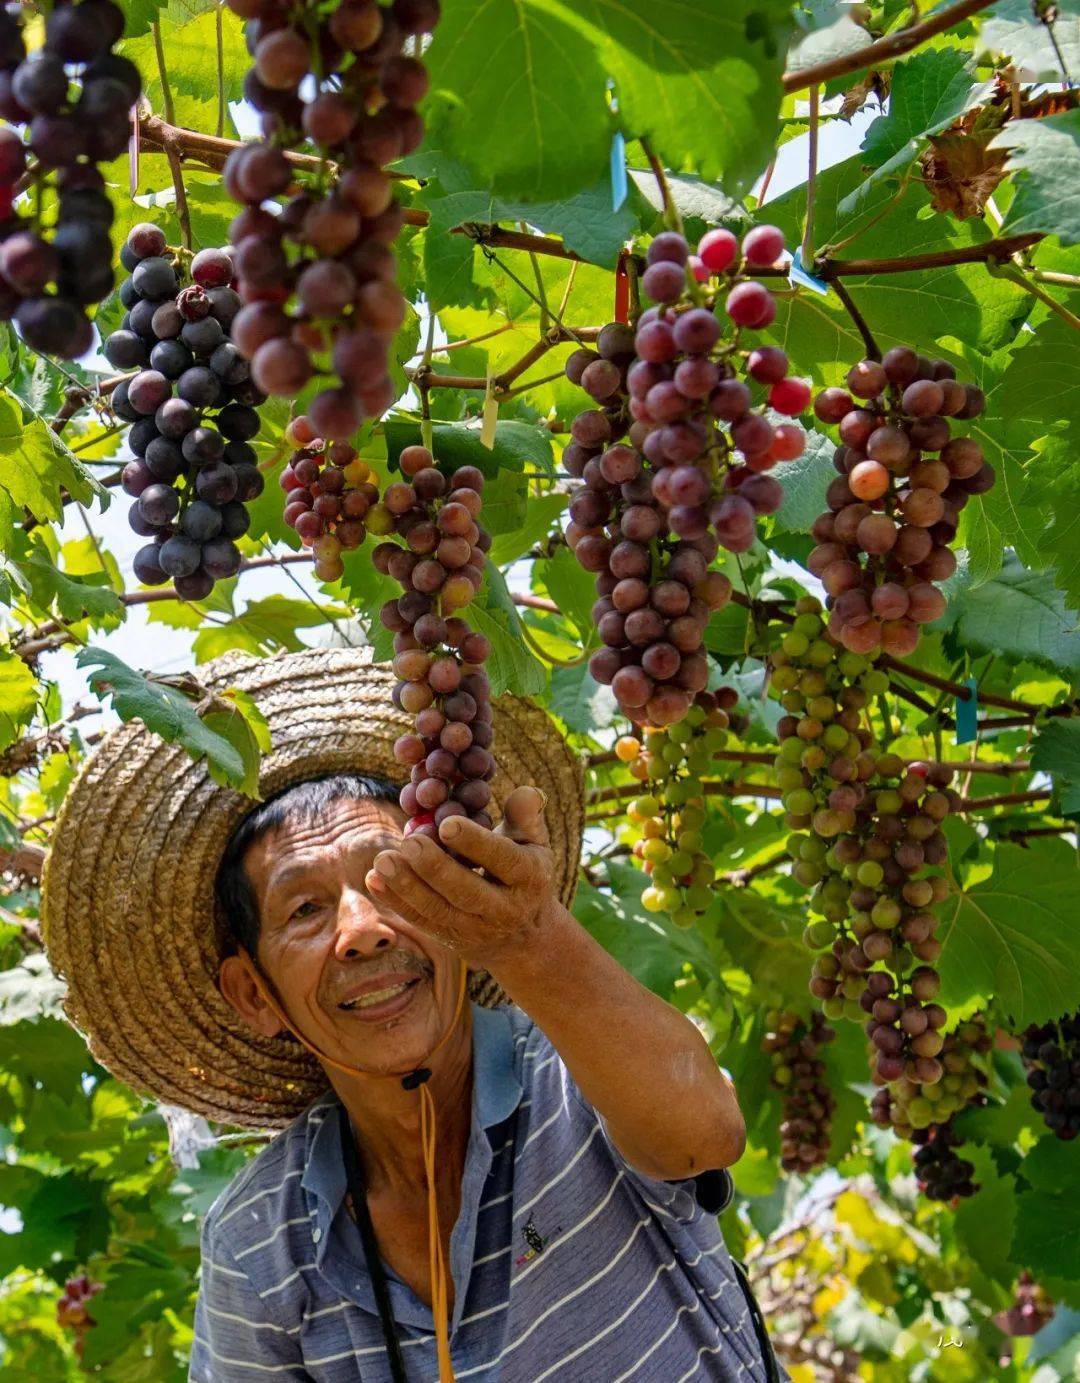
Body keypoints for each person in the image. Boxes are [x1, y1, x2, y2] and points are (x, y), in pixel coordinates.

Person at [42, 648, 786, 1382]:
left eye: (390, 878)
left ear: (453, 898)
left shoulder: (577, 1069)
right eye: (305, 909)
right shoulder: (260, 1244)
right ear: (254, 995)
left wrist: (531, 938)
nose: (363, 929)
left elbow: (704, 1136)